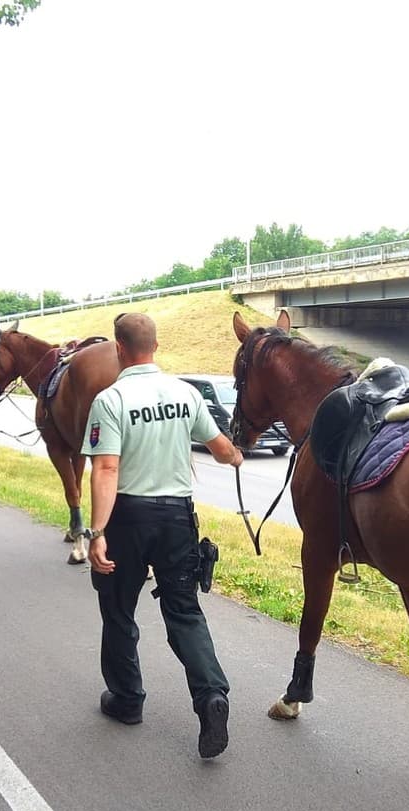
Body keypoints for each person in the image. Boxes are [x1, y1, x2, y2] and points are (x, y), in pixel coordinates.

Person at [81, 312, 244, 758]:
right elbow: (222, 448)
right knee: (184, 612)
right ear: (155, 346)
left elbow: (106, 468)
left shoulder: (110, 400)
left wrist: (96, 532)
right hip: (177, 520)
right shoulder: (185, 394)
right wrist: (235, 457)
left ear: (119, 348)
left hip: (127, 519)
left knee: (118, 610)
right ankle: (212, 695)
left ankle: (127, 700)